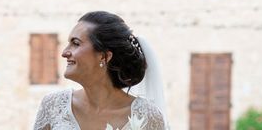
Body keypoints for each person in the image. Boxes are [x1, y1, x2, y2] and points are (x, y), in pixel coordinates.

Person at [33, 11, 167, 130]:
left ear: (104, 56)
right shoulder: (53, 105)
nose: (64, 52)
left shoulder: (147, 116)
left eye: (76, 43)